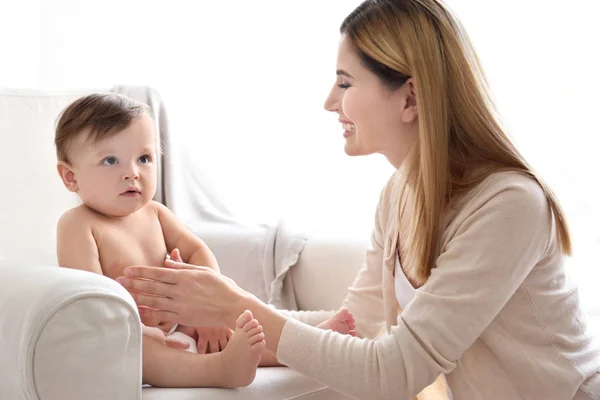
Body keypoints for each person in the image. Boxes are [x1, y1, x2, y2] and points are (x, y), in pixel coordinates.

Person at [116, 0, 600, 399]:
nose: (330, 101)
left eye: (346, 82)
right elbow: (356, 324)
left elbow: (394, 372)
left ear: (410, 98)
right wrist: (217, 324)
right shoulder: (401, 194)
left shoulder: (508, 205)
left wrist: (236, 306)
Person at [54, 93, 355, 388]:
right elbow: (91, 300)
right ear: (70, 177)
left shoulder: (156, 213)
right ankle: (219, 370)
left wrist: (209, 314)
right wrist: (136, 329)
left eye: (144, 158)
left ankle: (309, 346)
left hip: (187, 321)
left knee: (242, 329)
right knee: (144, 356)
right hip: (129, 336)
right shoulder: (78, 226)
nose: (132, 173)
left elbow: (197, 251)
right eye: (110, 161)